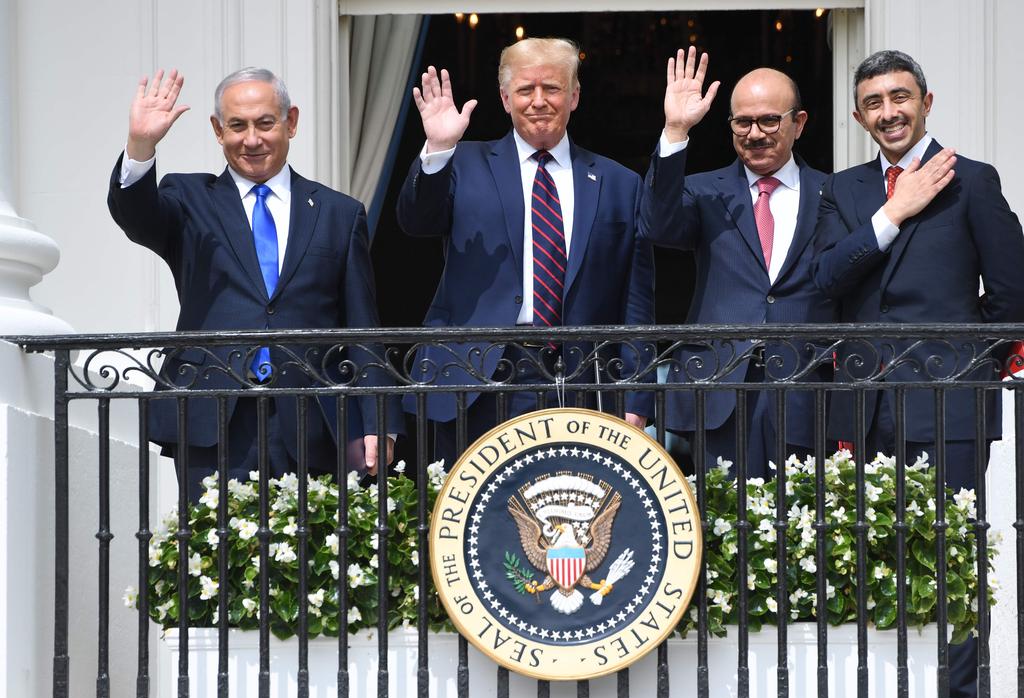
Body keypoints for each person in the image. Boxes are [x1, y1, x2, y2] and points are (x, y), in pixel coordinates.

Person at [813, 49, 1024, 698]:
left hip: (950, 402)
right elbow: (824, 282)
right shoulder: (843, 192)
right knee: (875, 553)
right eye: (874, 103)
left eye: (900, 97)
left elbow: (1014, 296)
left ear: (926, 102)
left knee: (954, 557)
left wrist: (971, 368)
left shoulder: (974, 181)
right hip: (865, 402)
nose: (889, 112)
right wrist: (894, 212)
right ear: (857, 116)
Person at [108, 68, 399, 500]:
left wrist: (378, 419)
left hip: (312, 418)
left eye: (265, 123)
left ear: (291, 122)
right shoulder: (190, 199)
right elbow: (135, 214)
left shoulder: (339, 213)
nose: (252, 139)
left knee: (310, 561)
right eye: (237, 126)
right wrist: (141, 146)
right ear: (217, 130)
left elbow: (362, 326)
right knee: (214, 559)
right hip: (213, 414)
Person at [396, 38, 655, 466]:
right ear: (504, 98)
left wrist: (636, 396)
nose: (539, 101)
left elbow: (637, 300)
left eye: (552, 88)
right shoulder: (461, 163)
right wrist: (438, 149)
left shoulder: (619, 182)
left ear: (574, 95)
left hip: (582, 382)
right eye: (525, 89)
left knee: (572, 521)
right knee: (472, 522)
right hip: (477, 380)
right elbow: (416, 223)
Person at [639, 48, 836, 480]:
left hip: (804, 386)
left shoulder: (834, 193)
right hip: (719, 386)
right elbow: (656, 225)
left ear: (798, 123)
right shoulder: (705, 190)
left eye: (769, 120)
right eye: (742, 122)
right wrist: (676, 129)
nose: (755, 133)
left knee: (800, 528)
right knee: (722, 526)